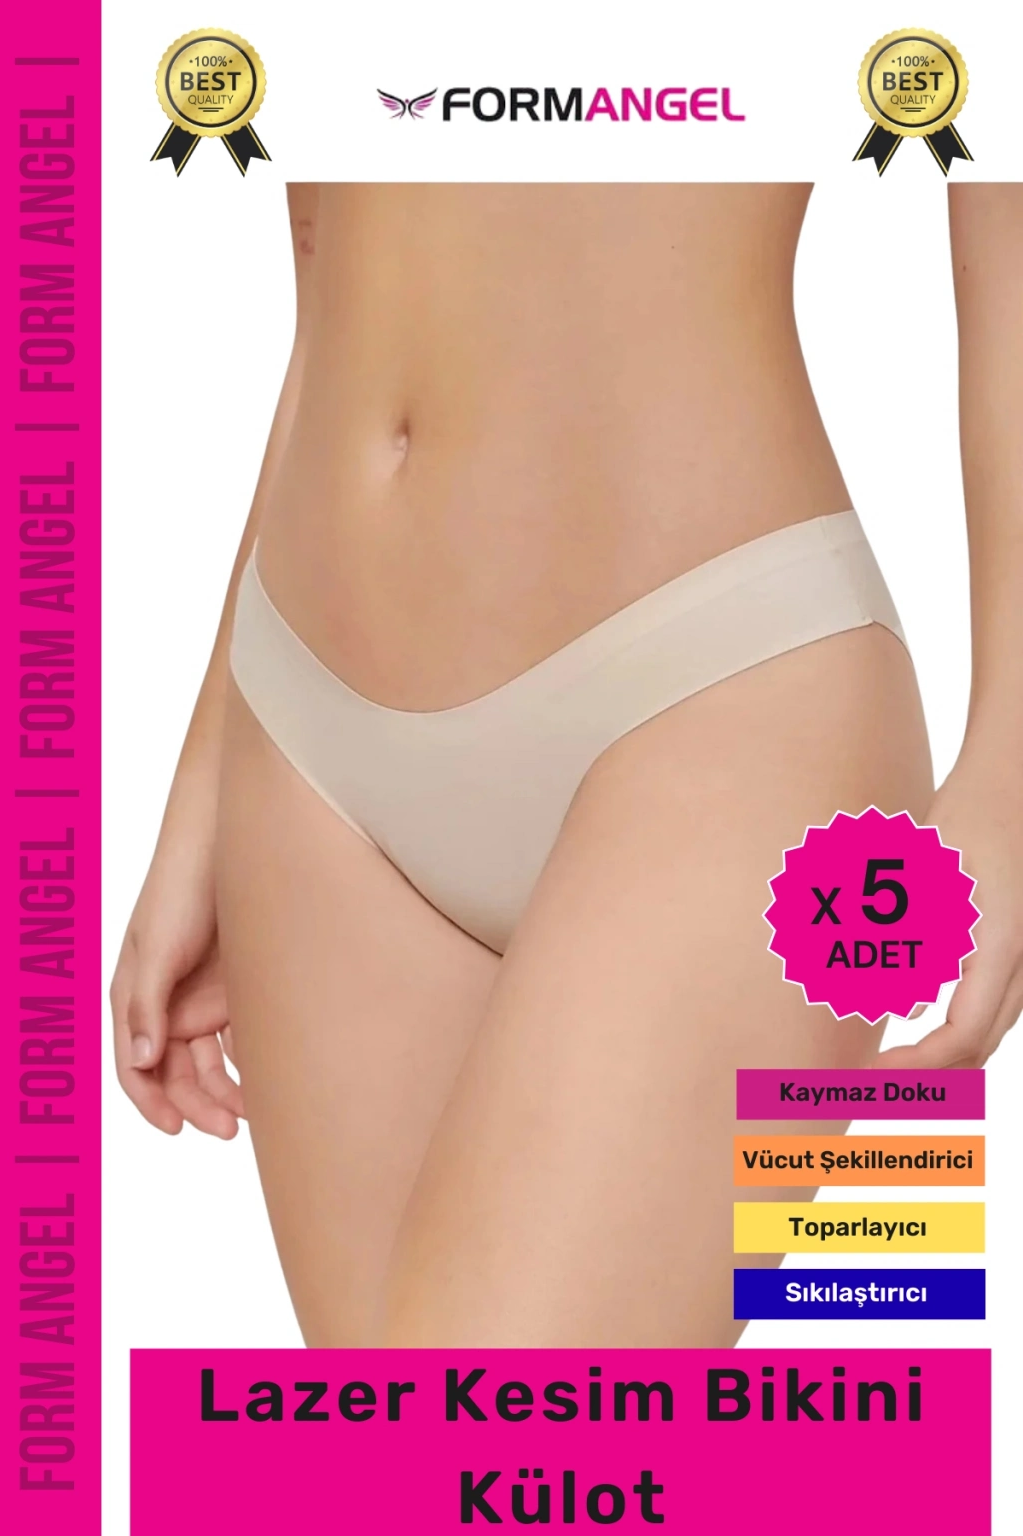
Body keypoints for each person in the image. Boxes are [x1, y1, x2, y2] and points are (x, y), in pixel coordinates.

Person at [110, 182, 1023, 1348]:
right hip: (306, 720)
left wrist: (1009, 766)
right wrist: (203, 783)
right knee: (403, 1446)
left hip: (717, 686)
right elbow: (329, 269)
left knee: (505, 1432)